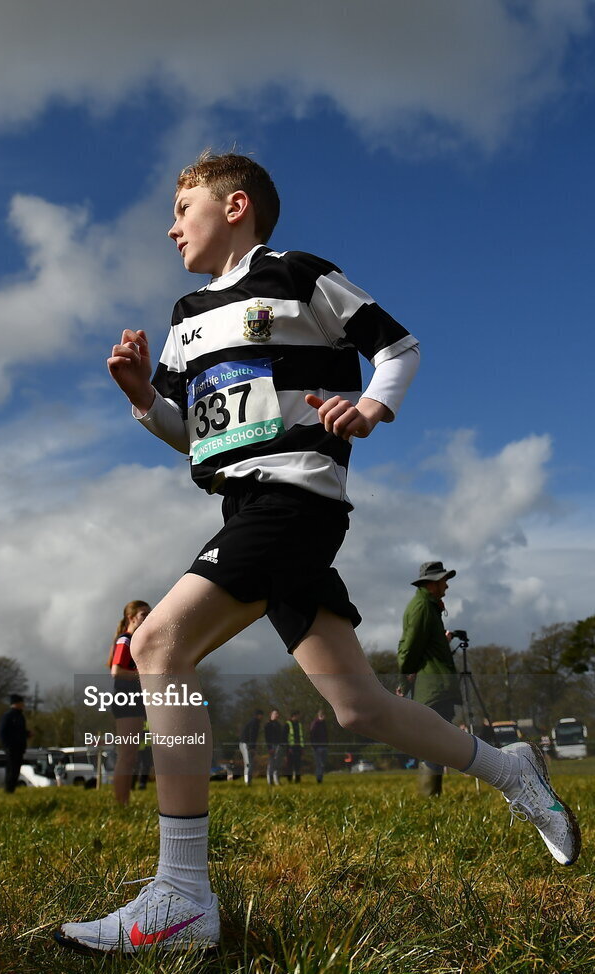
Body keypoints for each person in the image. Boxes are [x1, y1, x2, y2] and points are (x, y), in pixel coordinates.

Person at [56, 152, 580, 955]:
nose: (169, 227)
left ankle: (182, 897)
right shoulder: (185, 315)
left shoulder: (298, 274)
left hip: (294, 499)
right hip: (246, 507)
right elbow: (192, 434)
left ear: (235, 207)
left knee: (157, 644)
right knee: (358, 707)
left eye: (181, 207)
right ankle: (510, 769)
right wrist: (140, 399)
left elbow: (397, 347)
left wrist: (368, 408)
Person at [396, 561, 461, 797]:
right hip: (433, 687)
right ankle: (429, 797)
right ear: (432, 584)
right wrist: (405, 681)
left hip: (434, 686)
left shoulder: (427, 606)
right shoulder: (423, 607)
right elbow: (409, 650)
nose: (447, 586)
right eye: (444, 581)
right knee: (434, 741)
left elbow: (418, 646)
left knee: (436, 741)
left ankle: (431, 795)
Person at [108, 600, 151, 804]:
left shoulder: (136, 641)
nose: (148, 618)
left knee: (131, 756)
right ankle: (121, 804)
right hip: (126, 701)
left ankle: (124, 802)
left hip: (135, 701)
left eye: (149, 613)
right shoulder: (125, 640)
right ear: (131, 618)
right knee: (126, 756)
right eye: (144, 614)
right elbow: (116, 671)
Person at [0, 694, 28, 793]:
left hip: (20, 748)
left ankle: (12, 789)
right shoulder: (8, 716)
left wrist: (27, 734)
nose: (23, 705)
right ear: (16, 703)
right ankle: (8, 790)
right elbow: (2, 732)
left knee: (16, 769)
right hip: (11, 747)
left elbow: (20, 731)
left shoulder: (20, 716)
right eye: (21, 703)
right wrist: (6, 746)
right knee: (11, 769)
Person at [238, 709, 262, 785]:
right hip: (246, 744)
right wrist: (252, 747)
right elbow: (252, 735)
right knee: (248, 763)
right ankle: (247, 781)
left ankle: (248, 780)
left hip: (246, 744)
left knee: (249, 763)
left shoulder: (254, 722)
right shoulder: (254, 723)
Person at [283, 709, 304, 783]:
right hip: (290, 748)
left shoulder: (299, 724)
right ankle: (289, 779)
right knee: (290, 764)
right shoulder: (287, 724)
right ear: (293, 716)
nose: (298, 717)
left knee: (297, 764)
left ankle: (297, 779)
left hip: (298, 747)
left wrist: (302, 747)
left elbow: (301, 736)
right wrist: (288, 747)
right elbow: (285, 737)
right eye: (297, 715)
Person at [309, 708, 329, 783]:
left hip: (324, 746)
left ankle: (320, 777)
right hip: (317, 747)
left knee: (323, 764)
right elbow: (312, 735)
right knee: (319, 764)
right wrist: (314, 746)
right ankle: (319, 779)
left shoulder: (323, 723)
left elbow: (326, 734)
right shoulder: (315, 724)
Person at [264, 709, 283, 785]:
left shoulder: (278, 725)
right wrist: (269, 748)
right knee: (271, 764)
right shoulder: (268, 725)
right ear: (271, 715)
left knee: (277, 764)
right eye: (275, 714)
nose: (276, 715)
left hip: (278, 746)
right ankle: (270, 781)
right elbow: (267, 737)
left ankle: (276, 780)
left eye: (277, 714)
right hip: (271, 746)